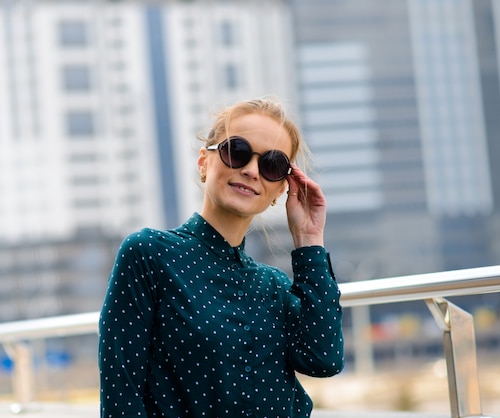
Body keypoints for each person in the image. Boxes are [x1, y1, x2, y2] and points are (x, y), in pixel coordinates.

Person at [98, 98, 345, 417]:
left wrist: (309, 238)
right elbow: (121, 397)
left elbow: (323, 359)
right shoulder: (150, 254)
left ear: (280, 189)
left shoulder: (274, 287)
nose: (251, 170)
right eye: (237, 151)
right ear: (204, 162)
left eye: (272, 165)